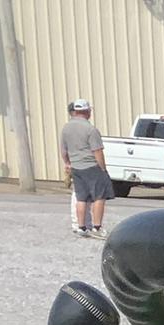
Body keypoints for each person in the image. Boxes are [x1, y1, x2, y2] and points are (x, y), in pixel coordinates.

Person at [60, 99, 110, 239]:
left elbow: (63, 150)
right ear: (88, 112)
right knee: (99, 197)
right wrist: (103, 169)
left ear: (75, 112)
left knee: (81, 197)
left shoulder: (66, 128)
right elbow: (97, 151)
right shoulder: (90, 129)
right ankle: (97, 227)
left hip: (76, 166)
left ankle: (81, 227)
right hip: (91, 166)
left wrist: (68, 163)